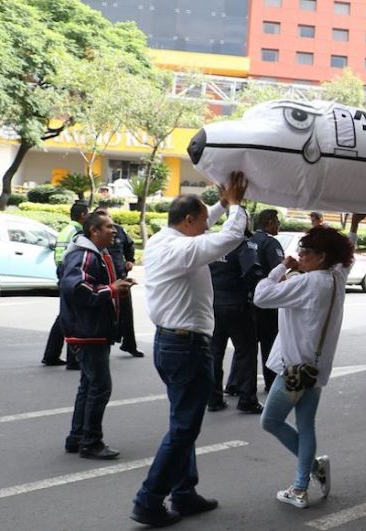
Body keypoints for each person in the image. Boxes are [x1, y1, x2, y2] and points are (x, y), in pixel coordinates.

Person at [131, 172, 249, 527]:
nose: (204, 226)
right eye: (199, 222)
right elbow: (230, 236)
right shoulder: (183, 249)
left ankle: (184, 493)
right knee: (184, 429)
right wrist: (238, 205)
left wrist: (222, 203)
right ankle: (148, 500)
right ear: (187, 222)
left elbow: (206, 223)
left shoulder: (163, 240)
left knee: (183, 424)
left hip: (172, 344)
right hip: (186, 347)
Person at [254, 214, 363, 509]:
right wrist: (350, 227)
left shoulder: (307, 282)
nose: (299, 257)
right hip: (315, 368)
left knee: (271, 421)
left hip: (294, 369)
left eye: (305, 253)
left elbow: (261, 296)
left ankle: (310, 474)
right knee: (306, 426)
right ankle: (301, 486)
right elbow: (347, 257)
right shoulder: (336, 277)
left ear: (321, 256)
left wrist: (281, 267)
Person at [60, 212, 134, 459]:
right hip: (87, 331)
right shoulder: (83, 255)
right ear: (94, 231)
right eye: (109, 227)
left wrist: (116, 289)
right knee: (100, 387)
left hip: (93, 330)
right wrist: (111, 289)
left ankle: (77, 437)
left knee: (89, 385)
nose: (114, 231)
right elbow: (77, 289)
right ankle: (91, 442)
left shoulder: (96, 255)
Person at [207, 239, 263, 414]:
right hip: (237, 304)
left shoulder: (214, 242)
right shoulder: (243, 244)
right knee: (246, 351)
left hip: (213, 303)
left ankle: (213, 398)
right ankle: (247, 399)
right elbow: (252, 271)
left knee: (215, 352)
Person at [42, 201, 89, 368]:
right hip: (71, 273)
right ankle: (73, 359)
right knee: (73, 315)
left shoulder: (65, 230)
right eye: (88, 213)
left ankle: (51, 354)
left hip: (62, 272)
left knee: (65, 314)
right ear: (83, 215)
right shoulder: (78, 232)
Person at [96, 205, 144, 357]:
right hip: (104, 281)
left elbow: (129, 247)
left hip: (121, 277)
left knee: (126, 312)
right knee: (104, 313)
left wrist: (130, 260)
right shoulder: (92, 234)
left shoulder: (118, 230)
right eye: (100, 215)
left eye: (106, 215)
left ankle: (129, 344)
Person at [249, 209, 285, 393]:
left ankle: (237, 384)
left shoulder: (250, 241)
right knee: (268, 343)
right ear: (270, 222)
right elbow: (279, 273)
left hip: (247, 300)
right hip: (266, 302)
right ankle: (271, 383)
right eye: (277, 221)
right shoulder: (271, 244)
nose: (279, 225)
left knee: (246, 346)